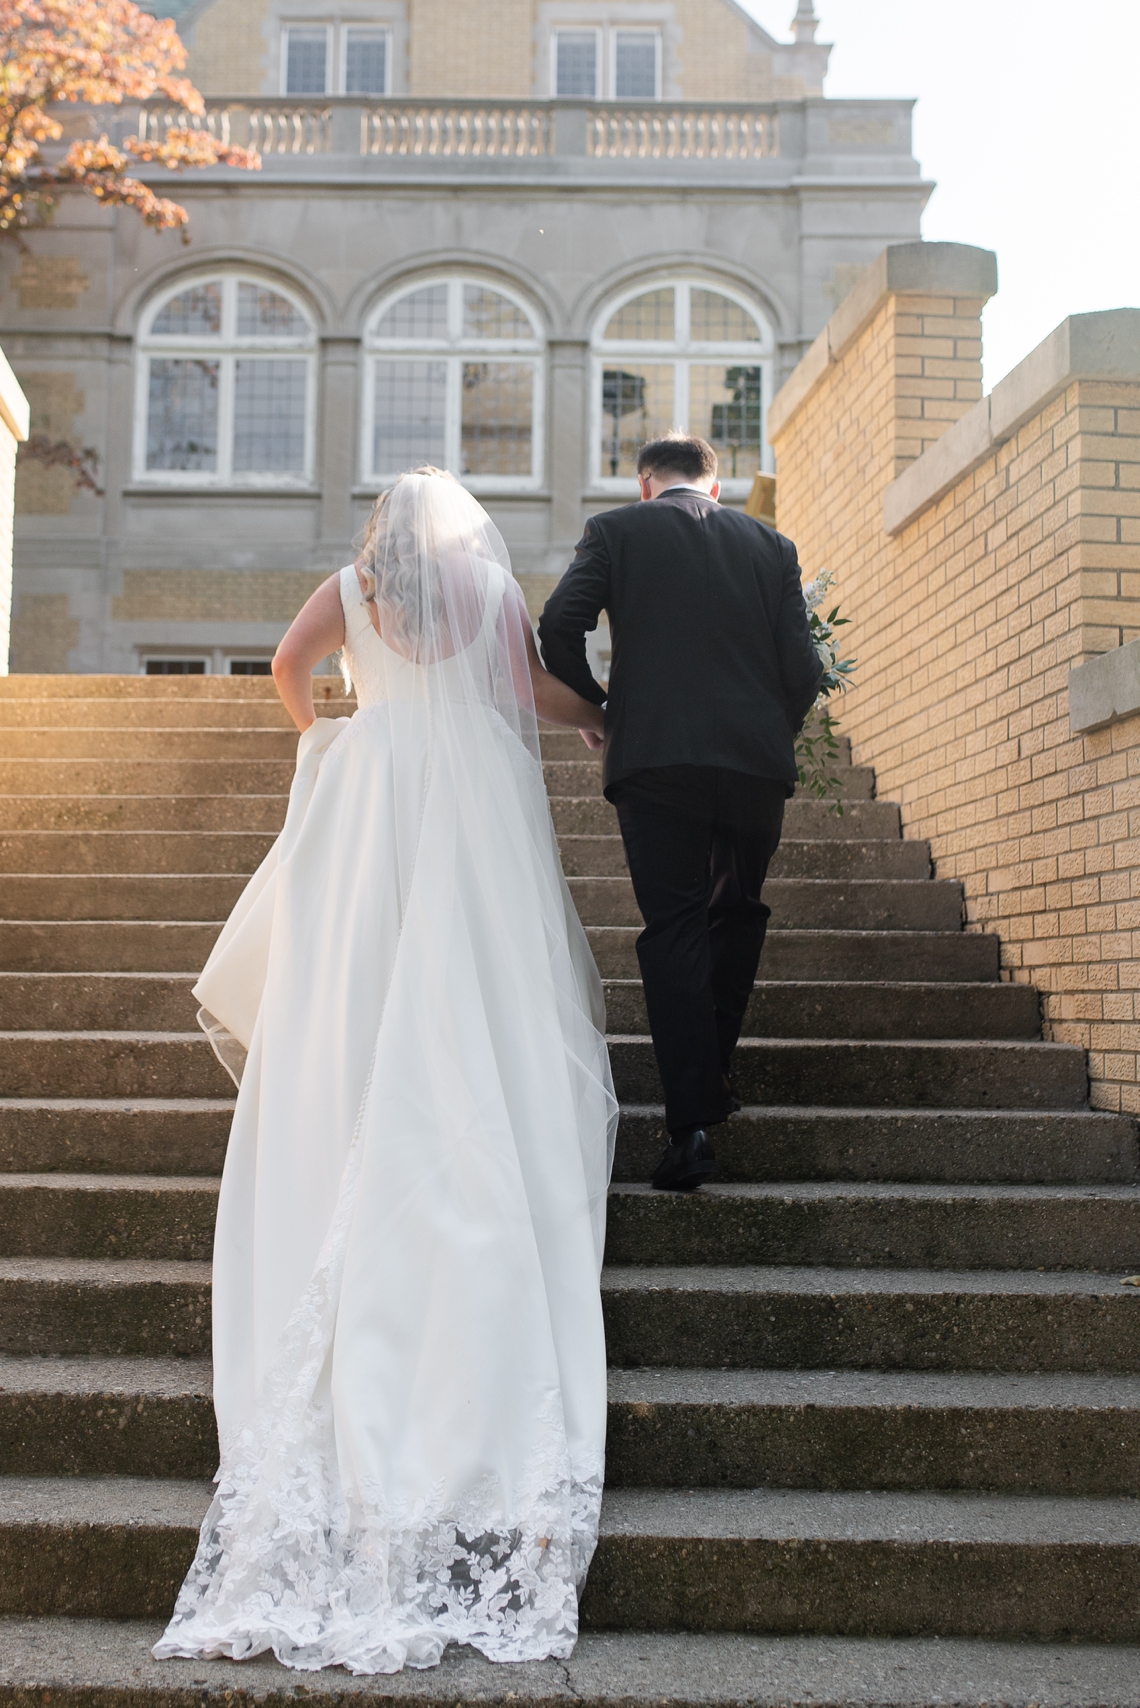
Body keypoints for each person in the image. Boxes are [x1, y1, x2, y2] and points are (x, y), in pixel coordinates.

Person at [154, 467, 619, 1676]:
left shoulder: (353, 587)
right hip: (468, 795)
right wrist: (600, 720)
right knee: (475, 971)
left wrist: (330, 740)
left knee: (359, 973)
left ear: (380, 532)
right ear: (460, 530)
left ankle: (358, 1106)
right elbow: (522, 690)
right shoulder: (488, 585)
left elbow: (282, 670)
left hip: (376, 792)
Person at [538, 433, 821, 1193]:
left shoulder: (616, 532)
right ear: (715, 488)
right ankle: (712, 1077)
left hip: (657, 761)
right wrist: (768, 727)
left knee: (674, 925)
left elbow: (559, 624)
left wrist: (603, 708)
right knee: (736, 913)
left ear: (644, 484)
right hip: (753, 764)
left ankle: (689, 1125)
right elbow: (806, 667)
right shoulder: (772, 544)